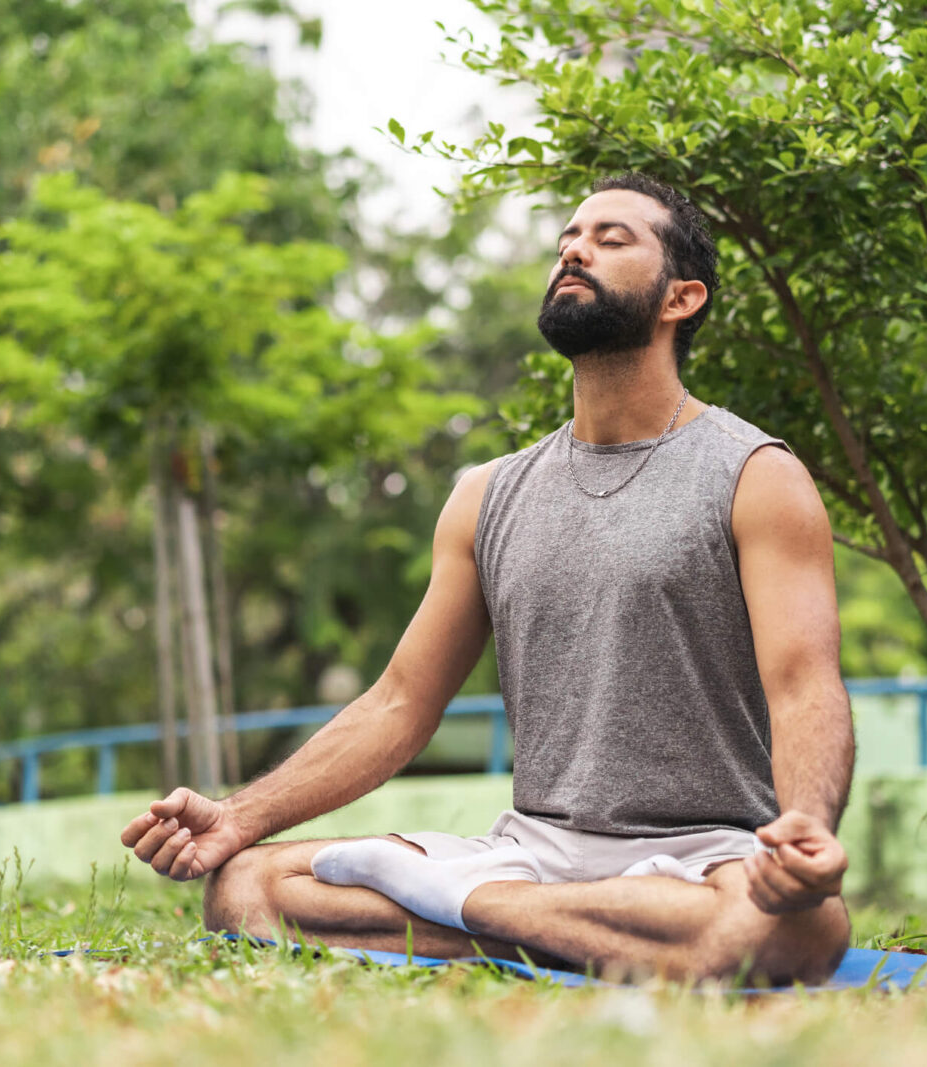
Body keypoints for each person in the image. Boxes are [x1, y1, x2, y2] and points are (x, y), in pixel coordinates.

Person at [120, 173, 855, 984]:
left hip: (706, 851)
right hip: (537, 850)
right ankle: (597, 933)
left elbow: (804, 685)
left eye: (612, 239)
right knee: (248, 885)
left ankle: (472, 911)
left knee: (798, 930)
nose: (575, 249)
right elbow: (400, 703)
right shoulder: (488, 494)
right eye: (568, 239)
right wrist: (237, 816)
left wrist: (807, 830)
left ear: (681, 297)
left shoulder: (754, 474)